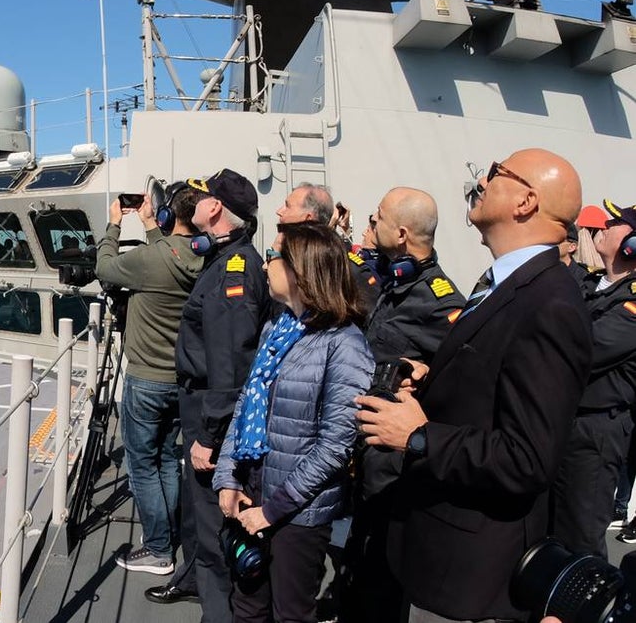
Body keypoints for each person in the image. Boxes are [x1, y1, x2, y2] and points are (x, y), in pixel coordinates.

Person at [356, 148, 592, 623]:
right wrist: (433, 379)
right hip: (438, 549)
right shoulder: (505, 283)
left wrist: (419, 436)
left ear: (525, 201)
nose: (482, 182)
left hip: (470, 577)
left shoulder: (550, 303)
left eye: (495, 173)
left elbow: (528, 457)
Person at [213, 221, 373, 623]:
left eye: (274, 258)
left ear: (303, 271)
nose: (265, 266)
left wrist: (274, 509)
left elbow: (336, 445)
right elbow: (246, 405)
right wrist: (228, 477)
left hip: (297, 512)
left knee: (291, 613)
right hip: (252, 490)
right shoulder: (276, 327)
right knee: (246, 606)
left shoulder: (345, 344)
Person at [145, 169, 271, 621]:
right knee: (203, 524)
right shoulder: (224, 261)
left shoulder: (233, 271)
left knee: (216, 530)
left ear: (215, 207)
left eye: (199, 197)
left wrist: (211, 436)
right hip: (203, 405)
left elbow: (230, 364)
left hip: (211, 412)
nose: (191, 204)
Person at [340, 187, 466, 623]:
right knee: (360, 556)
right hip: (368, 447)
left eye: (378, 217)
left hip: (392, 460)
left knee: (383, 569)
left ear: (402, 232)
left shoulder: (438, 300)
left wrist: (424, 382)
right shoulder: (398, 282)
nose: (371, 223)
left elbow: (461, 377)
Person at [95, 187, 206, 575]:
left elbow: (105, 267)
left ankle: (159, 549)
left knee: (141, 464)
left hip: (145, 381)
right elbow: (170, 258)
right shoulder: (204, 257)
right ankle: (167, 534)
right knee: (166, 459)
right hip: (182, 379)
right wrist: (149, 226)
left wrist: (113, 224)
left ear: (165, 217)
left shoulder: (148, 259)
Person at [553, 198, 636, 554]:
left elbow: (581, 347)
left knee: (581, 538)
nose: (604, 225)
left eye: (615, 222)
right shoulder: (589, 284)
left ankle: (586, 608)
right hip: (565, 422)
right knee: (552, 529)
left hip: (595, 433)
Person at [277, 183, 379, 311]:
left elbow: (372, 318)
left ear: (308, 218)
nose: (279, 211)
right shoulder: (286, 261)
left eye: (288, 206)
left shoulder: (347, 269)